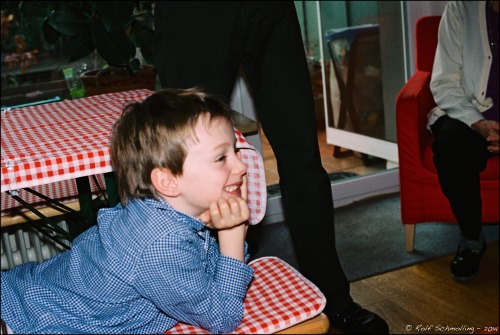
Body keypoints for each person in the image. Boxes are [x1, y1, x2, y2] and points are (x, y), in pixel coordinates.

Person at [152, 2, 389, 333]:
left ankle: (333, 298)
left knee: (303, 158)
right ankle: (198, 302)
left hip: (271, 9)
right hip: (196, 12)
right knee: (191, 157)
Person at [0, 88, 257, 334]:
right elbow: (222, 316)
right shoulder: (161, 244)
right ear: (167, 181)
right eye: (221, 158)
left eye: (234, 151)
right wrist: (232, 234)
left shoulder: (160, 210)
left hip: (22, 293)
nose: (241, 165)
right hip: (25, 323)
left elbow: (206, 278)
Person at [428, 0, 499, 282]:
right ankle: (471, 238)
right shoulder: (460, 8)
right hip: (471, 112)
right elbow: (444, 82)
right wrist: (479, 123)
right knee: (450, 148)